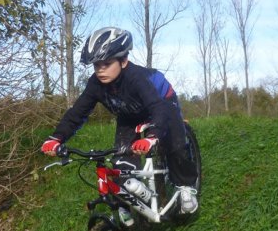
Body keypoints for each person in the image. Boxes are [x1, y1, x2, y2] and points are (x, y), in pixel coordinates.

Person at [41, 27, 198, 216]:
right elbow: (77, 113)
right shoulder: (95, 84)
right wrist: (57, 138)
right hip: (130, 113)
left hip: (161, 102)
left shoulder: (137, 78)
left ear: (123, 61)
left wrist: (152, 136)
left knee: (175, 144)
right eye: (96, 65)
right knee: (122, 163)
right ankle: (131, 205)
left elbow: (157, 107)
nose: (100, 70)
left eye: (106, 64)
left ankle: (185, 187)